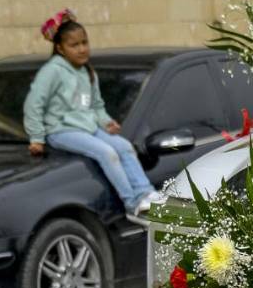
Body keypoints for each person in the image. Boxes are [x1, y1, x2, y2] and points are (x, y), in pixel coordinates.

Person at [23, 11, 158, 212]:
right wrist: (36, 137)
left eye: (84, 43)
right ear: (60, 48)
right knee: (107, 152)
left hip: (87, 128)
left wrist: (106, 122)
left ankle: (145, 192)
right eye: (74, 45)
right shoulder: (52, 71)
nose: (82, 49)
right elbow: (33, 104)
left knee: (123, 146)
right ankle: (132, 202)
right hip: (61, 131)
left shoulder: (87, 71)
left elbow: (95, 106)